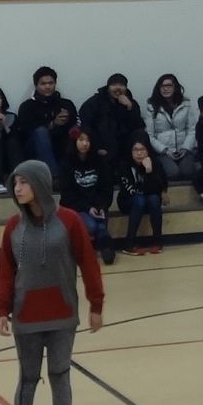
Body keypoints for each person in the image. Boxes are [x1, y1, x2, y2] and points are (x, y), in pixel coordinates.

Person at [0, 159, 104, 405]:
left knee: (60, 374)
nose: (17, 188)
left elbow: (89, 264)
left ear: (40, 184)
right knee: (28, 377)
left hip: (62, 314)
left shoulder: (69, 221)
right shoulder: (13, 227)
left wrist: (96, 304)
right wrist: (1, 309)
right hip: (26, 316)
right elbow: (5, 272)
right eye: (15, 183)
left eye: (23, 182)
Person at [61, 127, 118, 264]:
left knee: (100, 223)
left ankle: (104, 250)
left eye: (88, 140)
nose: (85, 144)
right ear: (75, 141)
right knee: (93, 226)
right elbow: (67, 195)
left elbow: (106, 188)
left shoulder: (100, 161)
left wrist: (101, 206)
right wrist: (87, 208)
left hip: (97, 205)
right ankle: (106, 247)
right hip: (76, 207)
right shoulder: (66, 163)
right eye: (81, 140)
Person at [13, 67, 75, 176]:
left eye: (51, 83)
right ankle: (53, 177)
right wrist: (53, 124)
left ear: (55, 84)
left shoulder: (66, 104)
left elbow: (75, 125)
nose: (47, 87)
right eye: (43, 84)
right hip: (34, 149)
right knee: (41, 132)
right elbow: (27, 132)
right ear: (36, 85)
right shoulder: (27, 106)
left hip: (61, 145)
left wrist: (66, 121)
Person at [79, 73, 148, 169]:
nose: (118, 88)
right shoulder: (95, 102)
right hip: (102, 145)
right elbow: (86, 125)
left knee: (141, 134)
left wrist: (130, 108)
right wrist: (96, 147)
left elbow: (139, 127)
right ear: (108, 87)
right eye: (114, 84)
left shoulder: (131, 103)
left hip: (125, 146)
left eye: (122, 85)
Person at [145, 74, 200, 184]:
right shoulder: (151, 107)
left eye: (169, 85)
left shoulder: (185, 105)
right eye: (162, 86)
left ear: (175, 87)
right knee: (173, 173)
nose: (165, 89)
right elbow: (149, 135)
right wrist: (164, 150)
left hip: (183, 150)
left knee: (188, 172)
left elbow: (192, 130)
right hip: (163, 152)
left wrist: (185, 148)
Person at [120, 138, 168, 255]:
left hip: (148, 199)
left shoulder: (155, 163)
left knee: (154, 199)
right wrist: (145, 189)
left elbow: (158, 187)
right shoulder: (124, 164)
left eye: (142, 150)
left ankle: (157, 241)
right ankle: (129, 244)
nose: (139, 153)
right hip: (128, 200)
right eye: (136, 150)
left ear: (148, 151)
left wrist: (149, 171)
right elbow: (130, 190)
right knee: (140, 199)